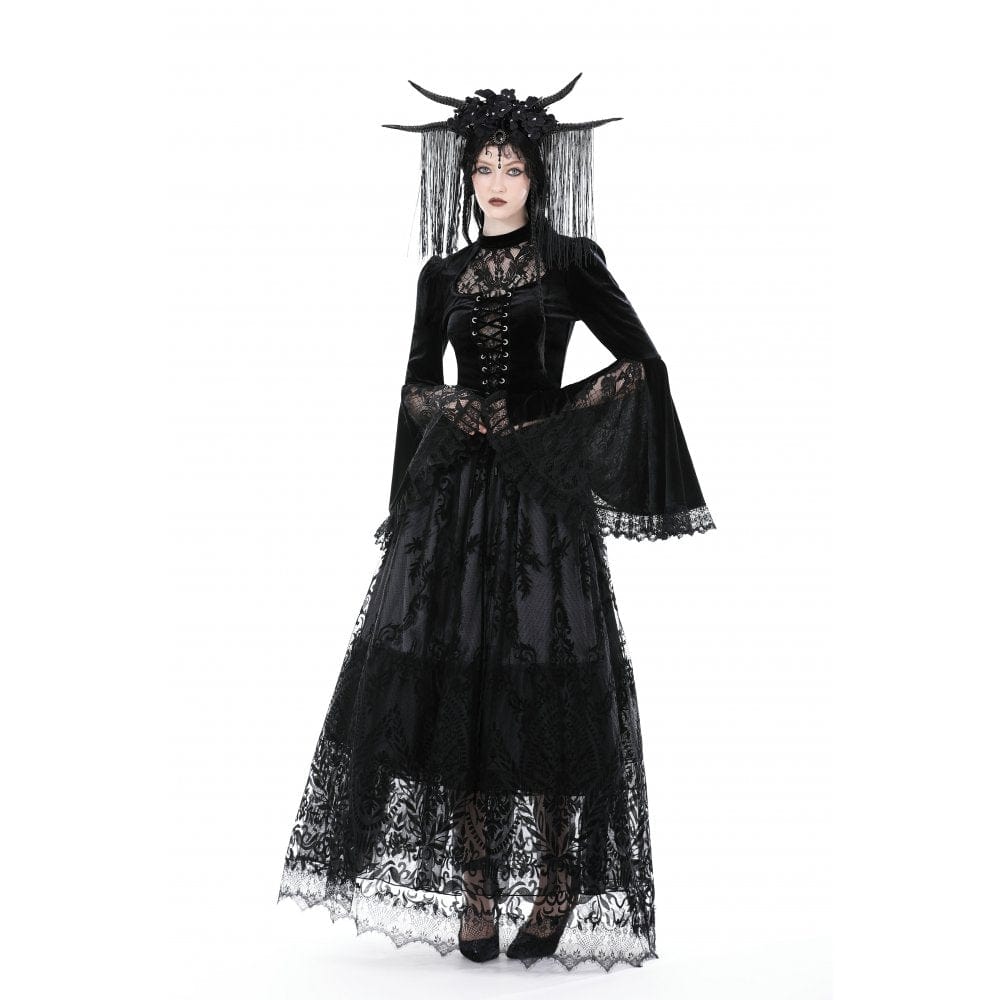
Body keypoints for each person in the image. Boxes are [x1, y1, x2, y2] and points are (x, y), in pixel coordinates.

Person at [276, 73, 716, 972]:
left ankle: (555, 886)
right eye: (484, 166)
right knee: (457, 684)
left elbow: (642, 364)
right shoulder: (440, 276)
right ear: (465, 176)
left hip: (544, 507)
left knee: (544, 681)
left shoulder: (572, 262)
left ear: (538, 174)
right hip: (457, 508)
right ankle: (477, 888)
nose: (497, 182)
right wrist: (450, 414)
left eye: (513, 166)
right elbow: (415, 384)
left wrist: (545, 419)